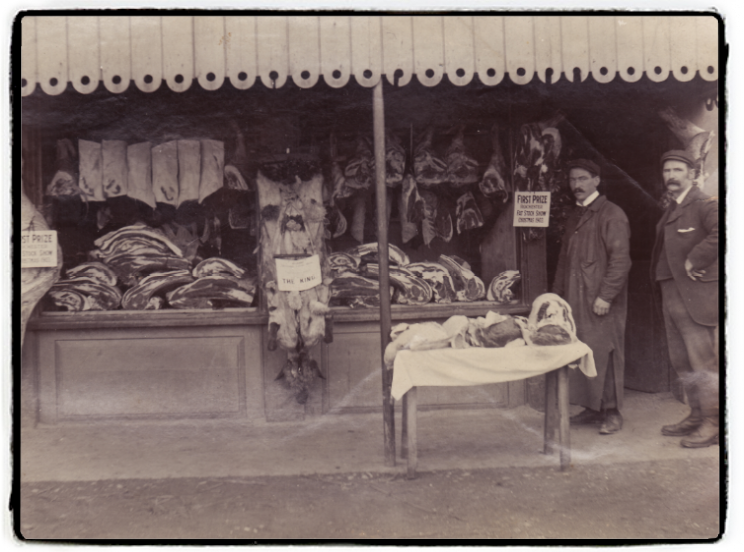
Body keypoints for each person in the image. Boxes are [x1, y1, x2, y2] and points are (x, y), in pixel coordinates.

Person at [552, 159, 632, 435]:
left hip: (600, 301)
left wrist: (606, 296)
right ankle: (591, 408)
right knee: (583, 351)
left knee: (605, 352)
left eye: (583, 179)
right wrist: (557, 299)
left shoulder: (612, 214)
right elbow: (564, 261)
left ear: (597, 181)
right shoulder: (576, 215)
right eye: (573, 180)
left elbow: (621, 261)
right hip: (577, 300)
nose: (577, 185)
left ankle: (612, 412)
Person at [651, 150, 719, 448]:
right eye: (667, 171)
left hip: (696, 294)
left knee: (703, 362)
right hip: (671, 292)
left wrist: (696, 258)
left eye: (678, 170)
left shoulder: (704, 203)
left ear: (692, 174)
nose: (672, 176)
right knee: (682, 361)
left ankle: (714, 422)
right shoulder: (673, 207)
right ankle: (695, 414)